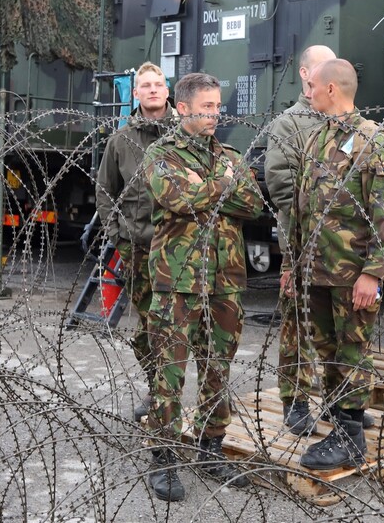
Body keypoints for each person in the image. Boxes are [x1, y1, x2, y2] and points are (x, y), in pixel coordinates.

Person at [142, 72, 264, 501]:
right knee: (170, 371)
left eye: (217, 106)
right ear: (182, 108)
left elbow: (252, 204)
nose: (215, 114)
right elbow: (178, 199)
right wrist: (225, 185)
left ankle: (210, 446)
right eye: (206, 107)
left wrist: (210, 188)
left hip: (225, 279)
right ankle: (164, 458)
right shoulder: (160, 154)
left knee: (217, 367)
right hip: (178, 280)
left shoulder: (229, 153)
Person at [285, 58, 384, 471]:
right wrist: (291, 265)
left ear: (332, 88)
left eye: (313, 85)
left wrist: (372, 272)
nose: (308, 91)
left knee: (351, 349)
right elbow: (301, 211)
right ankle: (341, 417)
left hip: (352, 273)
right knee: (327, 348)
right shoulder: (317, 139)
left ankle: (351, 437)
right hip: (316, 270)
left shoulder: (374, 142)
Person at [95, 62, 174, 422]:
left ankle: (169, 396)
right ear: (136, 93)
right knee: (145, 328)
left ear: (168, 91)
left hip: (178, 249)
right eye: (146, 85)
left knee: (176, 326)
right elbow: (104, 191)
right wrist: (117, 236)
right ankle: (157, 389)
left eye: (159, 84)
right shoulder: (121, 141)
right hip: (138, 248)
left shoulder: (184, 134)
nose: (153, 90)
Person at [264, 45, 336, 435]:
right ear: (307, 74)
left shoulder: (341, 120)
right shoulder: (290, 124)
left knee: (337, 324)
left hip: (342, 246)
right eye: (325, 65)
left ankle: (338, 400)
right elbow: (280, 183)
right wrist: (316, 221)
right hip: (303, 238)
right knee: (299, 323)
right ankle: (295, 400)